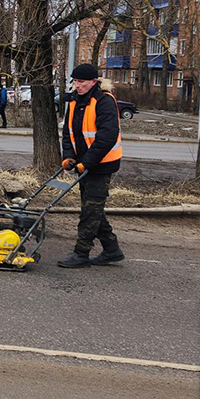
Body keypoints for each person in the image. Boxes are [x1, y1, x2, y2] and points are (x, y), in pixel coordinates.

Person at [57, 63, 125, 268]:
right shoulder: (73, 102)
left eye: (82, 82)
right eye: (75, 81)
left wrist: (86, 162)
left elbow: (107, 137)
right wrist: (69, 157)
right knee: (93, 208)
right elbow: (68, 133)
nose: (77, 86)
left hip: (102, 164)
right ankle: (111, 250)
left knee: (89, 211)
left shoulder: (104, 101)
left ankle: (81, 253)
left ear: (94, 82)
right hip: (83, 164)